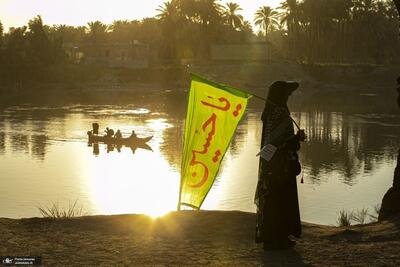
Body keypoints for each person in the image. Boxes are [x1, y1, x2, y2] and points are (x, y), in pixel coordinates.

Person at [255, 80, 306, 251]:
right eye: (287, 93)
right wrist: (297, 138)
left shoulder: (269, 113)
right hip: (280, 165)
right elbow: (279, 143)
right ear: (281, 95)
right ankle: (278, 239)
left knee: (272, 200)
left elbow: (270, 143)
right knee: (281, 201)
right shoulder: (281, 113)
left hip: (269, 164)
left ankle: (271, 238)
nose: (289, 95)